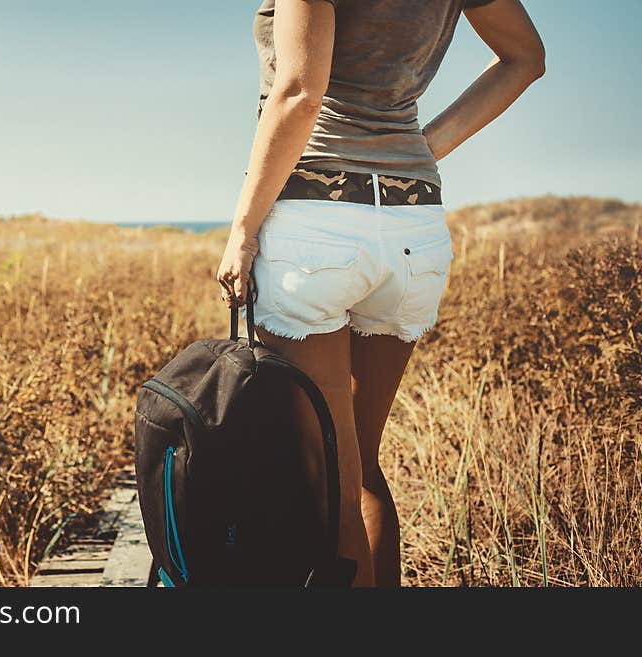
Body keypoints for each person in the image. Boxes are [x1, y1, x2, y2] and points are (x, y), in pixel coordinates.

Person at [216, 0, 545, 587]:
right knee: (362, 465)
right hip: (413, 226)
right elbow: (526, 59)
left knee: (328, 476)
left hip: (316, 222)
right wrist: (422, 147)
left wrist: (242, 231)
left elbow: (298, 93)